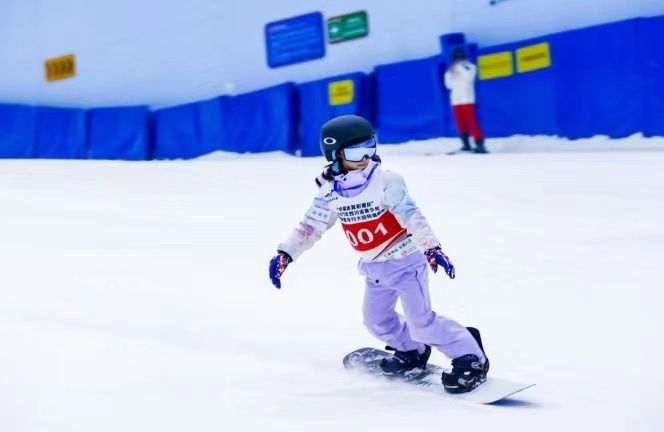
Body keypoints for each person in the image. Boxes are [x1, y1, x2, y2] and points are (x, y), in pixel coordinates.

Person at [268, 114, 489, 394]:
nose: (365, 157)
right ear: (335, 154)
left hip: (406, 262)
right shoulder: (329, 191)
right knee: (376, 321)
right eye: (356, 151)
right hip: (374, 269)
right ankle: (412, 350)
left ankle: (471, 357)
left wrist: (432, 247)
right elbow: (310, 226)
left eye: (370, 147)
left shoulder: (385, 181)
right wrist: (286, 253)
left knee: (422, 322)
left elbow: (411, 215)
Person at [444, 47, 488, 153]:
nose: (458, 60)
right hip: (455, 100)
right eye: (456, 59)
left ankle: (480, 145)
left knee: (472, 122)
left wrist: (459, 68)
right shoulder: (450, 70)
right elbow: (448, 85)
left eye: (460, 58)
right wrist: (451, 73)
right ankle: (466, 145)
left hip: (467, 99)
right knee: (460, 123)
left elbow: (468, 79)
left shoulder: (471, 67)